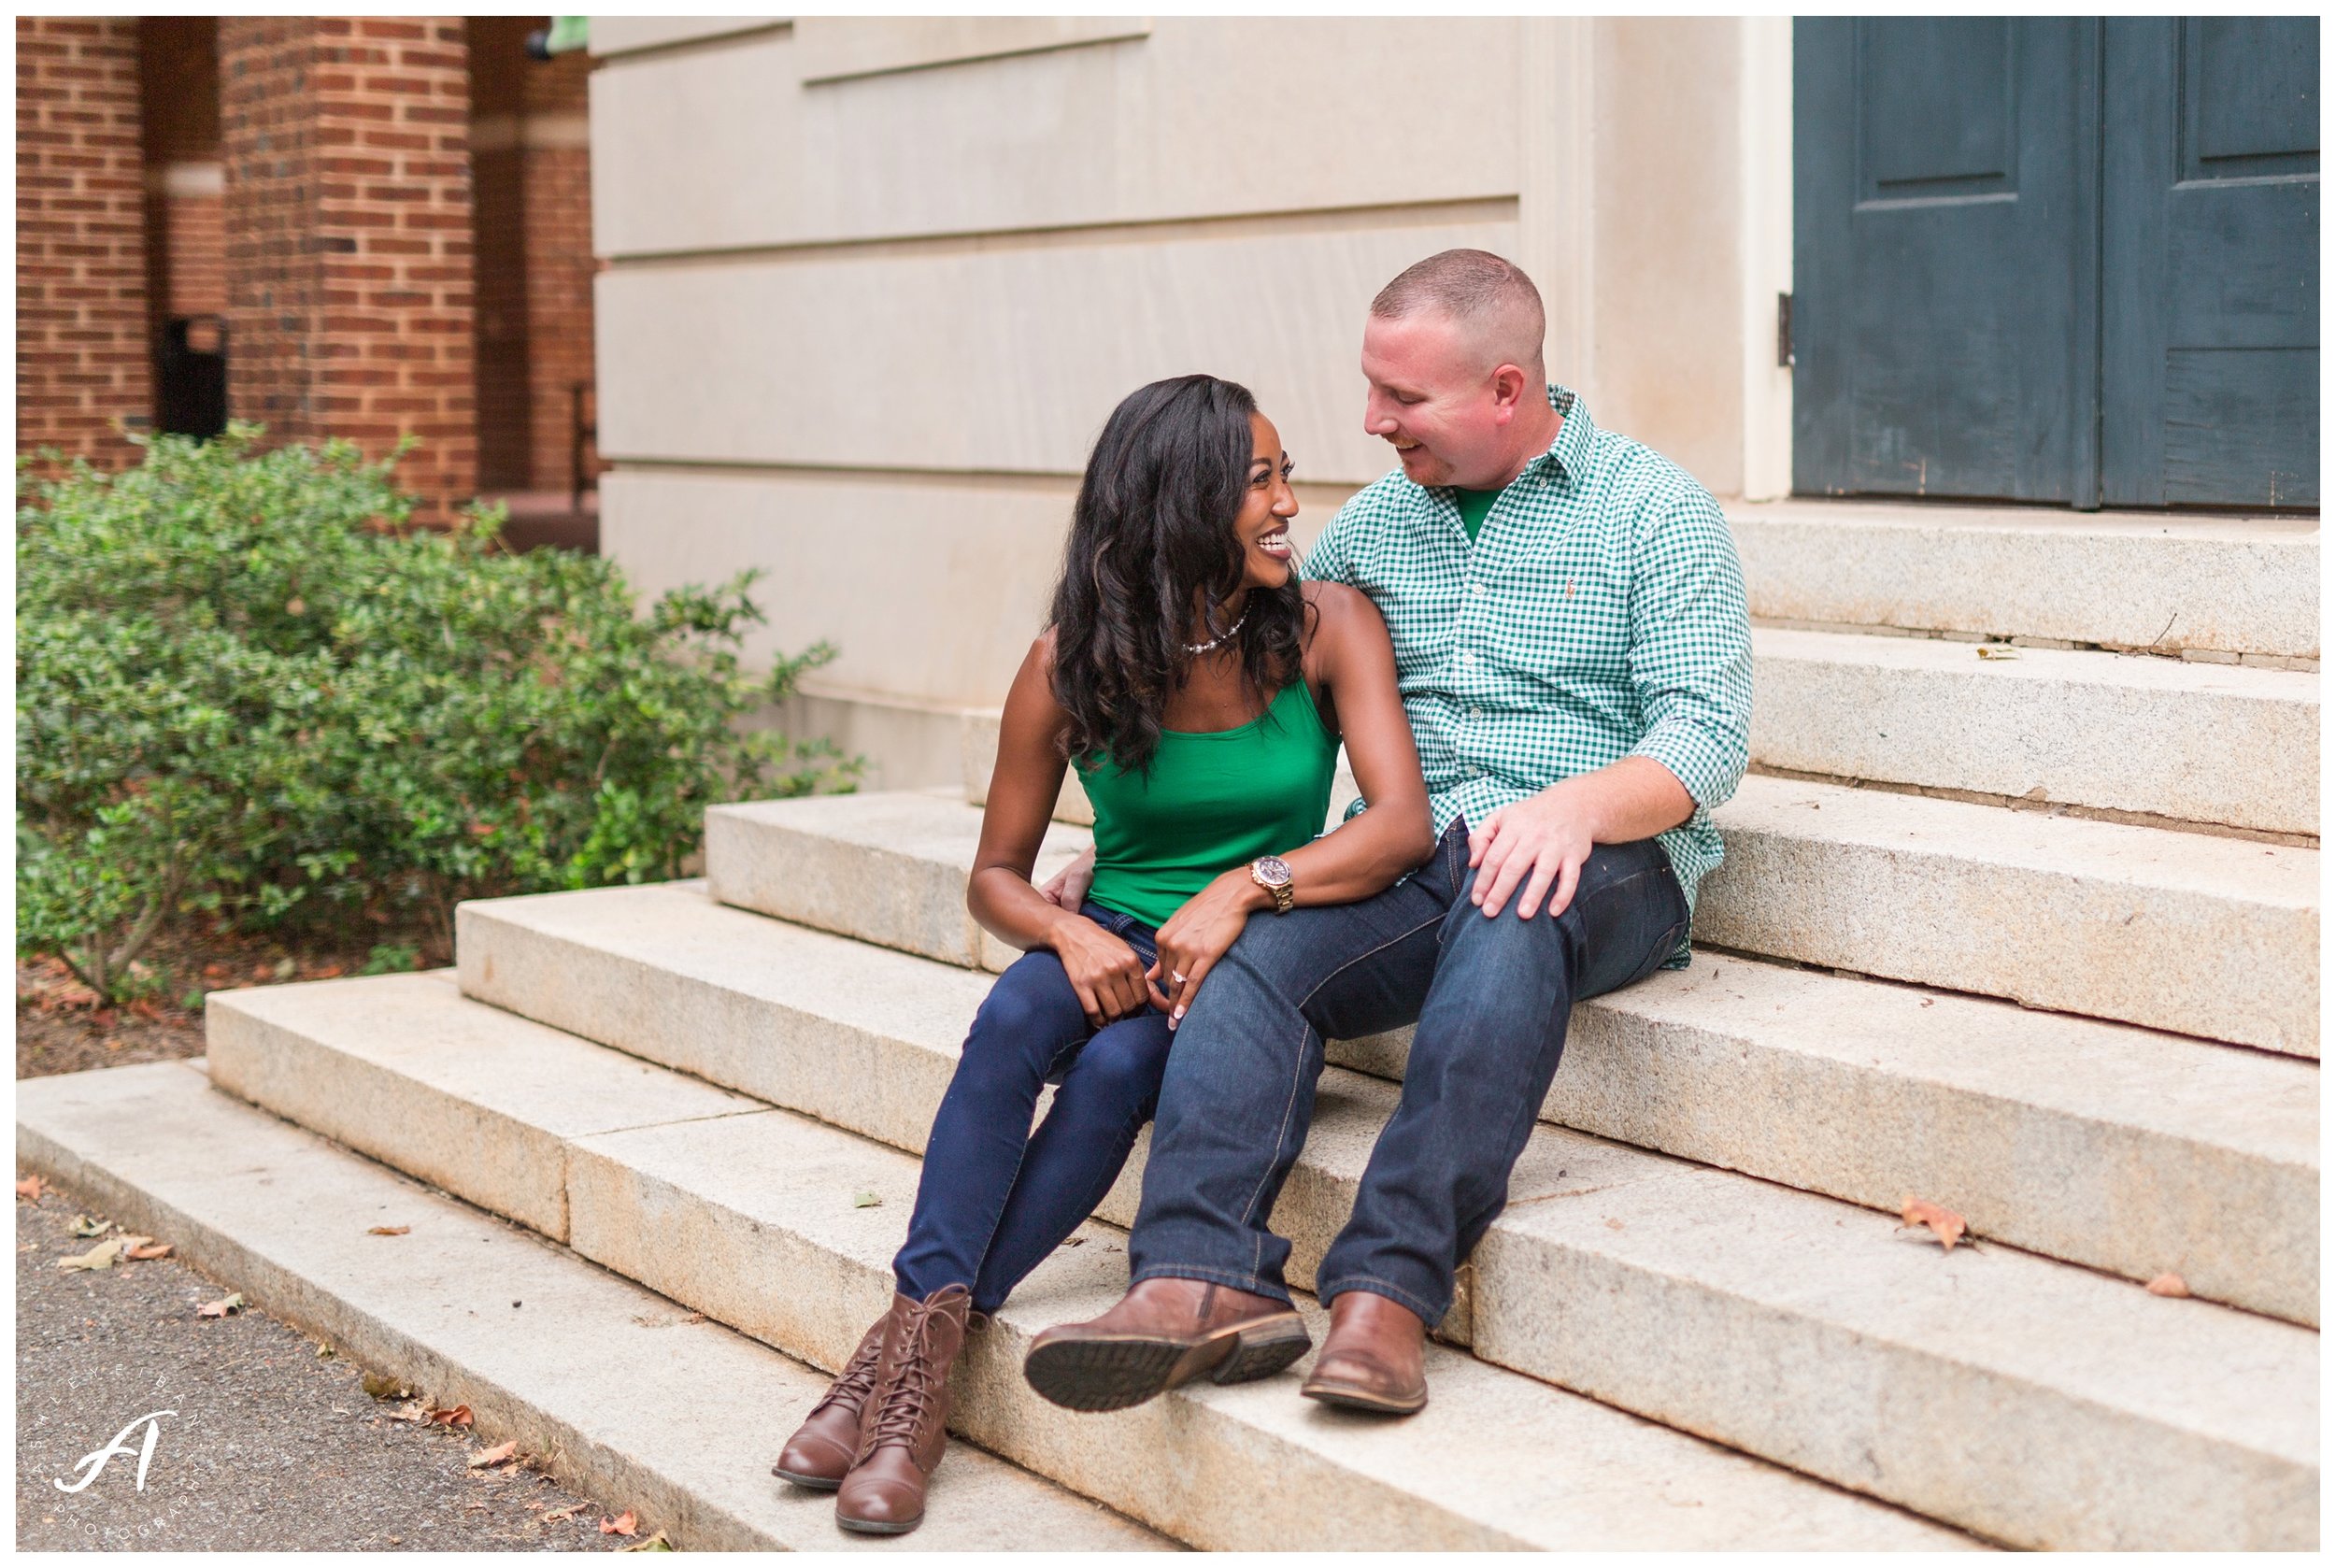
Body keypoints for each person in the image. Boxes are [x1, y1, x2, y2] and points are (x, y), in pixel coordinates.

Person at [1023, 249, 1753, 1418]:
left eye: (1402, 399)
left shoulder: (1652, 512)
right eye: (1372, 389)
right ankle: (1200, 1279)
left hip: (1605, 864)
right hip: (1416, 858)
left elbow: (1707, 736)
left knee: (1517, 893)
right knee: (1253, 955)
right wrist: (1142, 856)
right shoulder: (1372, 531)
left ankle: (1389, 1293)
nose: (1371, 421)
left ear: (1504, 390)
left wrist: (1566, 808)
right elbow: (1257, 690)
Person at [771, 374, 1434, 1533]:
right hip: (1110, 934)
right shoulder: (1067, 660)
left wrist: (1247, 887)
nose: (1290, 501)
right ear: (1181, 504)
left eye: (1285, 474)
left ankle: (891, 1381)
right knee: (1017, 1019)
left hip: (1251, 952)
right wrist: (1067, 927)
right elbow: (994, 876)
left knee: (1119, 1076)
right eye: (1261, 479)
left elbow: (1399, 827)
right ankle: (918, 1371)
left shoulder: (1330, 626)